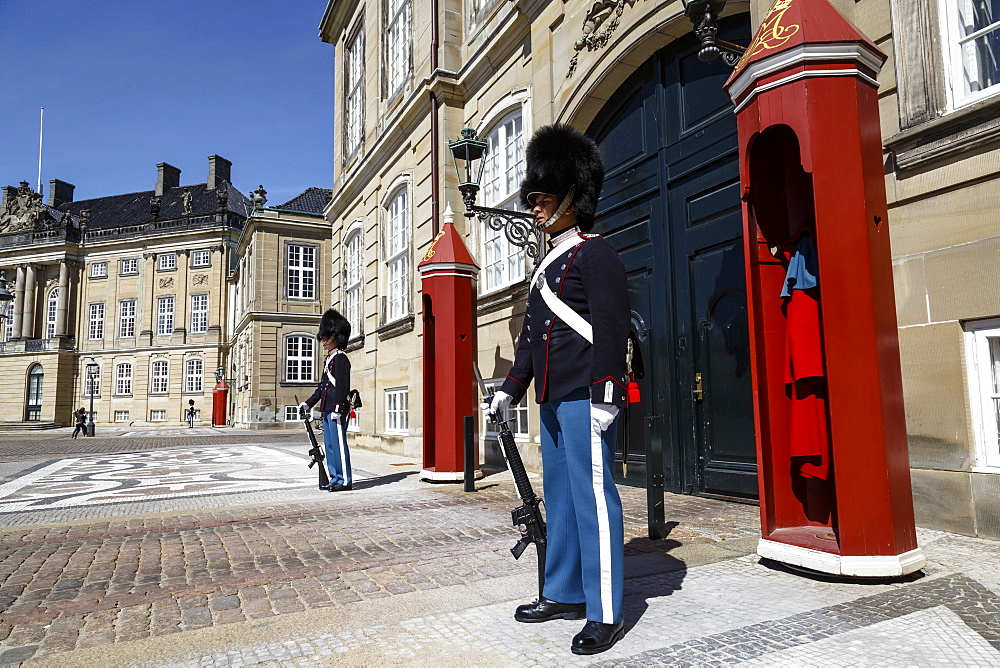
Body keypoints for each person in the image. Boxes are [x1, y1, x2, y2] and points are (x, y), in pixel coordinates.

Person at [482, 123, 629, 655]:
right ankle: (564, 590)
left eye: (544, 196)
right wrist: (510, 390)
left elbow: (612, 330)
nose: (536, 205)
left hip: (585, 397)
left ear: (573, 196)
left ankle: (605, 607)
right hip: (551, 398)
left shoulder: (596, 254)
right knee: (563, 501)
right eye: (535, 196)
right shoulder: (548, 262)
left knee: (594, 501)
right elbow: (532, 339)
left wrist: (606, 398)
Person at [300, 309, 353, 491]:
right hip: (327, 408)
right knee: (330, 446)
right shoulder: (329, 359)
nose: (322, 340)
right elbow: (322, 388)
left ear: (334, 337)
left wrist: (338, 407)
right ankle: (335, 478)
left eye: (325, 337)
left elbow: (342, 386)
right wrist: (308, 403)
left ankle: (344, 480)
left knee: (339, 446)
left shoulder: (341, 359)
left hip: (337, 409)